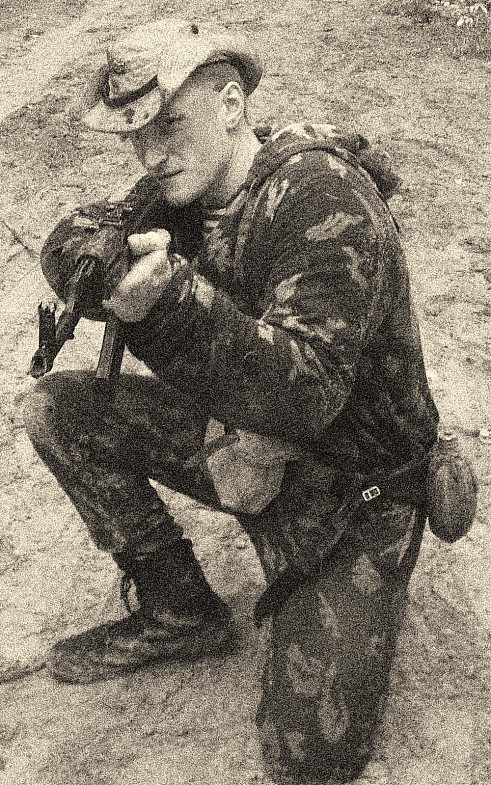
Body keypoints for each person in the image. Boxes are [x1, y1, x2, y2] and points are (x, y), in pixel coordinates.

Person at [23, 17, 440, 785]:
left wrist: (167, 307)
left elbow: (304, 395)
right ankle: (179, 609)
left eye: (169, 124)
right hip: (246, 446)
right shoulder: (182, 192)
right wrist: (90, 258)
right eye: (135, 136)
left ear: (229, 105)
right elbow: (88, 228)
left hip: (356, 490)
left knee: (307, 758)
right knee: (58, 409)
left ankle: (368, 573)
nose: (151, 153)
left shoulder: (318, 197)